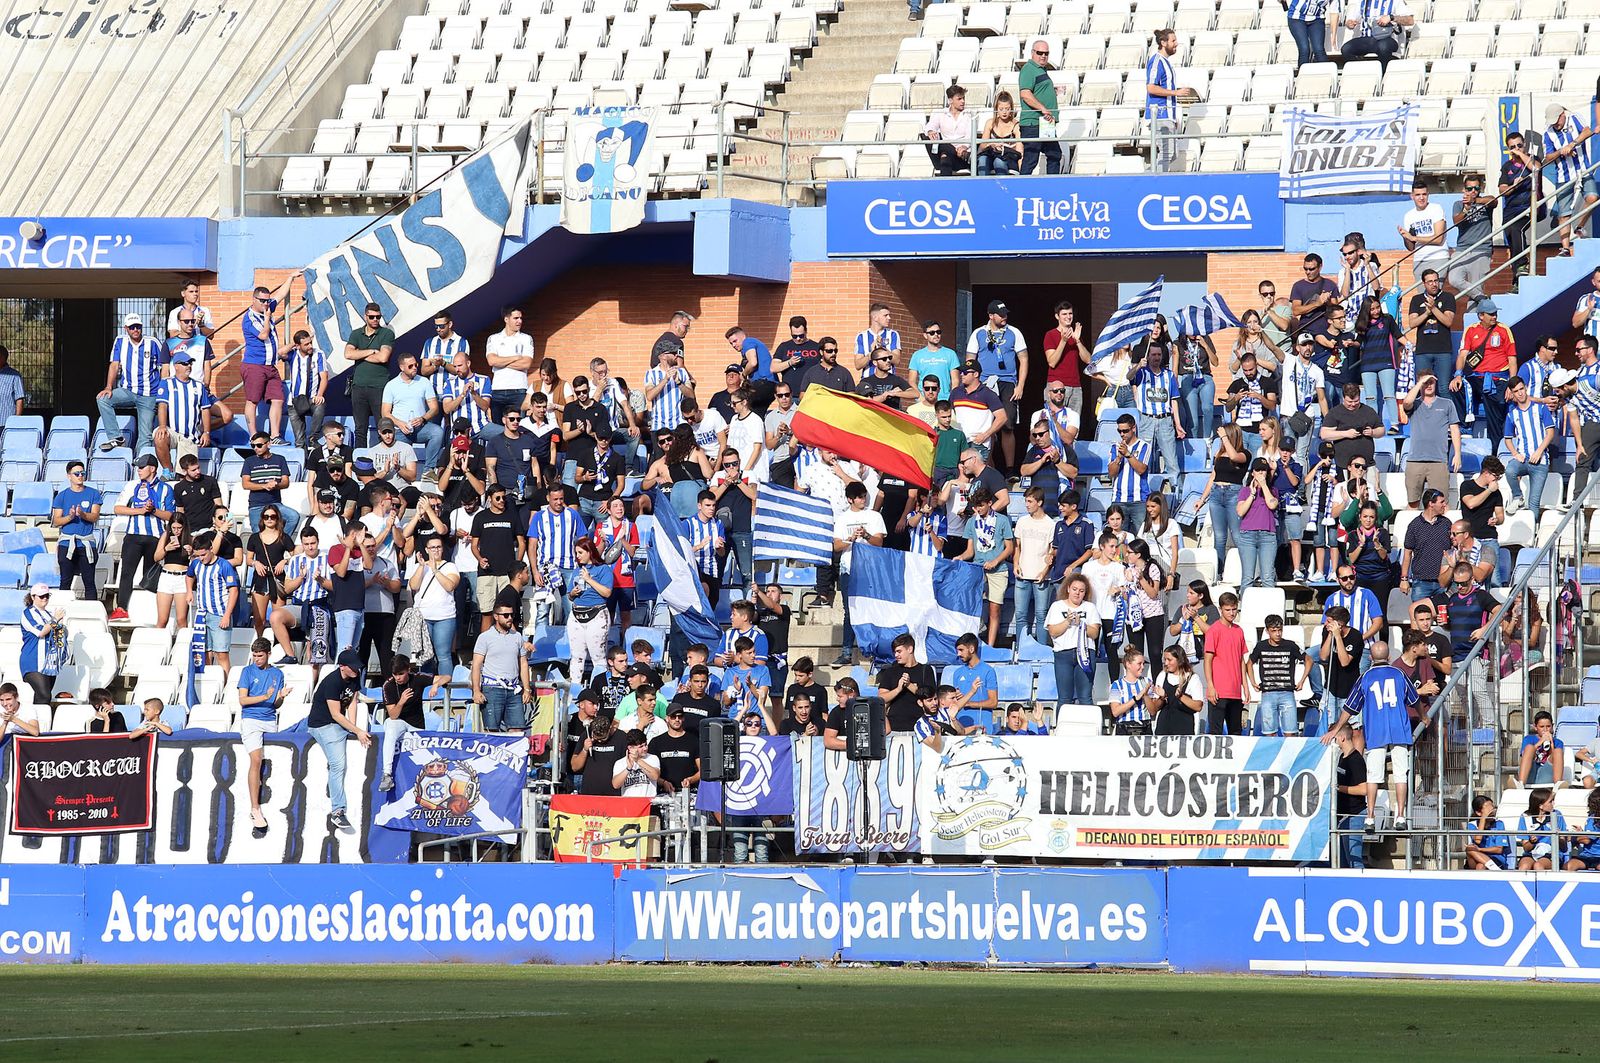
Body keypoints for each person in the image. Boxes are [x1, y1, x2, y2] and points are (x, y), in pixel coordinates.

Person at [307, 649, 371, 835]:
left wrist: (354, 726)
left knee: (340, 762)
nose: (356, 671)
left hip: (338, 723)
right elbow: (335, 714)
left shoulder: (353, 676)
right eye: (353, 668)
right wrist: (356, 730)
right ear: (343, 667)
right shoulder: (332, 682)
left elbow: (352, 701)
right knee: (338, 765)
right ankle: (337, 810)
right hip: (322, 724)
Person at [108, 454, 175, 622]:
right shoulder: (132, 486)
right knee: (126, 573)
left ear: (152, 468)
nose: (138, 470)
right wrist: (140, 511)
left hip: (155, 536)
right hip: (133, 535)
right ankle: (122, 608)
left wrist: (153, 510)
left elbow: (171, 515)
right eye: (138, 467)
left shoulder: (166, 489)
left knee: (151, 574)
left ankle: (151, 608)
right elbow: (118, 508)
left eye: (142, 467)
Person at [235, 638, 288, 837]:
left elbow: (276, 704)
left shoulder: (277, 674)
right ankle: (255, 808)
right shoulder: (247, 672)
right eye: (254, 656)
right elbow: (243, 700)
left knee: (269, 764)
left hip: (270, 720)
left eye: (260, 656)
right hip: (251, 720)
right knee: (256, 760)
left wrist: (281, 696)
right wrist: (265, 697)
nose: (257, 659)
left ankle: (271, 802)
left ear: (268, 654)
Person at [966, 301, 1028, 468]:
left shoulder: (1014, 332)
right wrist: (973, 385)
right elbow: (970, 361)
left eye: (1006, 314)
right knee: (987, 426)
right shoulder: (978, 333)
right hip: (985, 383)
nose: (1005, 317)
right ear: (991, 316)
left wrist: (1020, 385)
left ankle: (1009, 470)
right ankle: (987, 467)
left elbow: (1024, 358)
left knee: (1007, 426)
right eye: (1001, 315)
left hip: (1008, 382)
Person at [97, 313, 163, 455]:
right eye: (132, 327)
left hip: (149, 394)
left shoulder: (153, 342)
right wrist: (109, 386)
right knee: (102, 399)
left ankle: (140, 464)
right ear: (126, 328)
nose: (135, 330)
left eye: (138, 326)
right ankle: (116, 437)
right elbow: (114, 365)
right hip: (127, 390)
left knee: (145, 435)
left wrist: (162, 392)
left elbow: (164, 367)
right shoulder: (120, 341)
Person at [1453, 298, 1517, 445]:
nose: (1494, 316)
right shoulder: (1471, 330)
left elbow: (1512, 359)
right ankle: (1464, 428)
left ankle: (1496, 448)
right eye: (1490, 314)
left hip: (1498, 378)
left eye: (1495, 313)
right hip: (1477, 377)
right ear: (1481, 315)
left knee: (1494, 409)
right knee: (1456, 387)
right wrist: (1457, 375)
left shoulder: (1504, 330)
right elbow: (1462, 355)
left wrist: (1511, 385)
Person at [379, 654, 444, 792]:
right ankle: (386, 774)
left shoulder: (417, 678)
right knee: (389, 724)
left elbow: (447, 677)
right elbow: (393, 715)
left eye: (401, 674)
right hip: (399, 722)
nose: (398, 678)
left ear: (408, 670)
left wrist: (436, 685)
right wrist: (402, 701)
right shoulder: (388, 686)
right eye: (395, 674)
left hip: (416, 725)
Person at [958, 486, 1013, 646]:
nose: (978, 509)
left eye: (981, 505)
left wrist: (996, 561)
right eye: (976, 506)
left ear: (990, 503)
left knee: (994, 609)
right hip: (978, 570)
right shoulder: (971, 522)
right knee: (973, 606)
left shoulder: (1002, 520)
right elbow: (970, 551)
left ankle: (990, 645)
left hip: (998, 570)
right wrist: (960, 557)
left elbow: (1010, 547)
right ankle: (974, 642)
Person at [1542, 102, 1599, 255]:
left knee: (1593, 197)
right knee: (1564, 212)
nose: (1556, 125)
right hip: (1564, 175)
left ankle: (1579, 226)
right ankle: (1565, 247)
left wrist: (1572, 144)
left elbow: (1587, 131)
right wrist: (1561, 151)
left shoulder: (1574, 118)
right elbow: (1548, 157)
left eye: (1557, 121)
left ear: (1562, 114)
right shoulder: (1548, 133)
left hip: (1583, 169)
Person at [241, 281, 294, 443]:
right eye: (262, 301)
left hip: (271, 365)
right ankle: (253, 435)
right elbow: (263, 335)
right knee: (252, 400)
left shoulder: (268, 307)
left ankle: (275, 435)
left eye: (267, 301)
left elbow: (280, 295)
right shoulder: (249, 318)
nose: (266, 304)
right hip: (254, 365)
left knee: (278, 399)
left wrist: (290, 278)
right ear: (254, 299)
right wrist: (268, 318)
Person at [185, 531, 241, 677]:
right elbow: (189, 576)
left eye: (203, 555)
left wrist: (227, 615)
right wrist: (189, 591)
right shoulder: (196, 564)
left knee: (221, 654)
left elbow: (234, 591)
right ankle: (211, 684)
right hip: (202, 614)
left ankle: (226, 686)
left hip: (219, 614)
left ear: (211, 549)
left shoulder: (224, 565)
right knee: (206, 654)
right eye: (197, 555)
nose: (200, 558)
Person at [471, 599, 530, 732]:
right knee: (491, 731)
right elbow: (476, 665)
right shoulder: (484, 637)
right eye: (506, 615)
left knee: (517, 730)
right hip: (492, 689)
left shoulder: (518, 637)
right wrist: (476, 690)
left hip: (513, 689)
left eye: (512, 615)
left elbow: (523, 663)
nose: (510, 618)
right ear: (496, 616)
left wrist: (526, 688)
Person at [381, 352, 444, 472]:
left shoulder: (424, 382)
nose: (415, 367)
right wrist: (400, 423)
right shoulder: (391, 385)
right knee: (398, 465)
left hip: (421, 427)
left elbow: (434, 408)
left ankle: (429, 470)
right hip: (400, 430)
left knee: (437, 432)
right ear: (402, 367)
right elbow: (385, 412)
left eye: (416, 364)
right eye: (410, 366)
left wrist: (423, 419)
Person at [1045, 574, 1100, 706]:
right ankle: (1062, 726)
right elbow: (1053, 631)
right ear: (1068, 589)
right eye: (1075, 589)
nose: (1077, 593)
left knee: (1085, 697)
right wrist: (1068, 621)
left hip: (1085, 655)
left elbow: (1095, 633)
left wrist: (1081, 624)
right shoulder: (1057, 606)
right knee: (1064, 698)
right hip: (1063, 654)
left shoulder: (1090, 607)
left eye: (1081, 591)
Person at [565, 537, 613, 687]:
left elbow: (607, 592)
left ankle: (598, 690)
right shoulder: (576, 571)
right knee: (576, 656)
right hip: (577, 614)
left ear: (589, 552)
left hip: (596, 614)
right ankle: (575, 689)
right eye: (576, 553)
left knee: (598, 657)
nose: (577, 556)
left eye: (580, 552)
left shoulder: (603, 569)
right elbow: (569, 596)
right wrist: (573, 593)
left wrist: (589, 579)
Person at [51, 460, 102, 600]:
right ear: (69, 476)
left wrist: (83, 515)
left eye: (82, 473)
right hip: (67, 543)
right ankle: (63, 611)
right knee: (65, 580)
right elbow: (56, 521)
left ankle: (91, 612)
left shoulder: (93, 493)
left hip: (85, 543)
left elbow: (95, 516)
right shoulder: (62, 495)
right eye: (77, 473)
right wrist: (71, 516)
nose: (80, 476)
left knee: (89, 581)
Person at [1251, 616, 1309, 738]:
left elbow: (1308, 660)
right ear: (1267, 631)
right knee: (1269, 733)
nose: (1278, 634)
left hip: (1287, 692)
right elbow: (1249, 663)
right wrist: (1252, 682)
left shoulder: (1290, 645)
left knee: (1291, 732)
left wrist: (1302, 680)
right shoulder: (1261, 646)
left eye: (1280, 630)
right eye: (1274, 631)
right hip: (1268, 693)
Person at [1144, 28, 1194, 169]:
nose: (1176, 44)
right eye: (1173, 41)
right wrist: (1175, 93)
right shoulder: (1156, 62)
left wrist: (1174, 117)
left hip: (1168, 116)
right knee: (1167, 153)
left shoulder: (1166, 62)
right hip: (1159, 116)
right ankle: (1154, 182)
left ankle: (1149, 176)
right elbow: (1151, 87)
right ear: (1163, 42)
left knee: (1172, 154)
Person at [1016, 38, 1061, 175]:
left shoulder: (1040, 70)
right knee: (1031, 158)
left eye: (1046, 53)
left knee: (1054, 154)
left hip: (1044, 122)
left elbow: (1036, 91)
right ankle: (1021, 189)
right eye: (1040, 53)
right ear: (1032, 53)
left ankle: (1051, 186)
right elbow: (1025, 93)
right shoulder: (1029, 69)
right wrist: (1043, 108)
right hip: (1033, 122)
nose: (1043, 56)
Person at [1235, 457, 1280, 589]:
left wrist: (1264, 485)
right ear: (1252, 473)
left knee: (1267, 577)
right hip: (1247, 536)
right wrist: (1252, 495)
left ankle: (1270, 610)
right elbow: (1240, 511)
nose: (1261, 473)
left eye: (1263, 470)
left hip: (1267, 536)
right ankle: (1245, 608)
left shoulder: (1273, 491)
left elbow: (1272, 505)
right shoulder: (1244, 491)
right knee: (1247, 578)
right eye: (1258, 470)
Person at [240, 433, 297, 534]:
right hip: (256, 505)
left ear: (268, 444)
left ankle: (281, 541)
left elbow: (286, 482)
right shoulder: (249, 461)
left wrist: (276, 485)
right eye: (253, 446)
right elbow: (245, 484)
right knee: (258, 535)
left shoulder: (280, 459)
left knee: (293, 517)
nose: (256, 448)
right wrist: (264, 486)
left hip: (275, 504)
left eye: (259, 445)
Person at [1499, 131, 1538, 279]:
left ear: (1525, 145)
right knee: (1513, 244)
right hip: (1510, 210)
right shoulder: (1507, 166)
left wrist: (1521, 155)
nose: (1516, 149)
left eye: (1519, 145)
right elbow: (1502, 189)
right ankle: (1517, 278)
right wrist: (1514, 186)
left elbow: (1536, 168)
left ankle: (1523, 263)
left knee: (1517, 229)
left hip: (1528, 207)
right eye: (1512, 147)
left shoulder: (1532, 159)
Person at [281, 329, 329, 449]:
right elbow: (281, 352)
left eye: (310, 342)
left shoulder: (318, 354)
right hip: (294, 401)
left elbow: (324, 377)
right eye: (306, 344)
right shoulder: (293, 354)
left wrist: (319, 394)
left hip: (311, 398)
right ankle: (302, 461)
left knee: (320, 405)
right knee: (299, 442)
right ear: (298, 346)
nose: (310, 346)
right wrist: (294, 344)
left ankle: (313, 437)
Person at [1329, 723, 1368, 868]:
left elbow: (1364, 789)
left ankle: (1361, 888)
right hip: (1342, 817)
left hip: (1354, 815)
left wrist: (1339, 788)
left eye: (1335, 737)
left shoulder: (1356, 760)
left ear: (1342, 737)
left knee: (1354, 861)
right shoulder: (1342, 758)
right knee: (1342, 862)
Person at [18, 584, 64, 705]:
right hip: (33, 660)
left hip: (49, 661)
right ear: (33, 597)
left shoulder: (48, 614)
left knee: (43, 697)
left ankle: (36, 723)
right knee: (44, 695)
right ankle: (38, 724)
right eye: (41, 596)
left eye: (47, 596)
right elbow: (41, 632)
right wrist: (55, 620)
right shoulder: (28, 613)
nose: (44, 598)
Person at [1148, 645, 1204, 736]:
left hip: (1184, 729)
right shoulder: (1162, 676)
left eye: (1169, 660)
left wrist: (1181, 696)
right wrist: (1162, 698)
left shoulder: (1193, 678)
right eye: (1165, 660)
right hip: (1164, 728)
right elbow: (1154, 709)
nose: (1166, 663)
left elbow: (1198, 706)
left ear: (1179, 660)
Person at [1341, 0, 1412, 69]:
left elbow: (1410, 20)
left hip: (1388, 38)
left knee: (1383, 47)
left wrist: (1391, 18)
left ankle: (1383, 74)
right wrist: (1349, 23)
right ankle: (1362, 72)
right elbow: (1352, 20)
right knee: (1346, 49)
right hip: (1367, 38)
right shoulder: (1362, 2)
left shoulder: (1395, 1)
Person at [1515, 788, 1566, 871]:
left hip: (1551, 853)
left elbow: (1563, 846)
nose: (1553, 803)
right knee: (1524, 867)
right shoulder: (1525, 817)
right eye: (1550, 801)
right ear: (1540, 806)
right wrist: (1532, 842)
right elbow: (1526, 848)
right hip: (1531, 853)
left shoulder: (1557, 815)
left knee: (1538, 866)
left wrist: (1557, 835)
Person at [1108, 647, 1153, 735]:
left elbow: (1152, 711)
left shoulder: (1147, 682)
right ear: (1128, 664)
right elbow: (1115, 712)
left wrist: (1147, 696)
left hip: (1144, 725)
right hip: (1124, 726)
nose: (1143, 667)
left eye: (1143, 664)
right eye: (1139, 664)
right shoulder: (1117, 685)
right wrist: (1136, 698)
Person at [977, 91, 1023, 175]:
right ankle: (983, 186)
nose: (1004, 112)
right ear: (996, 109)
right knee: (982, 160)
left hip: (1009, 158)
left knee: (999, 162)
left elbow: (1020, 152)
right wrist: (991, 144)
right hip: (992, 154)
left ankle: (1002, 186)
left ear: (1011, 109)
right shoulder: (990, 123)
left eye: (1007, 109)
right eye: (1001, 109)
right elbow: (982, 146)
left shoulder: (1016, 126)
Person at [1517, 709, 1565, 787]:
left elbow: (1555, 759)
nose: (1545, 730)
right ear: (1535, 727)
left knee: (1558, 751)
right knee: (1529, 747)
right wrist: (1539, 743)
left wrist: (1551, 743)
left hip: (1546, 773)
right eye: (1542, 727)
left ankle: (1557, 785)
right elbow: (1524, 756)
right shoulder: (1528, 739)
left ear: (1552, 726)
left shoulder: (1558, 742)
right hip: (1530, 772)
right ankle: (1521, 783)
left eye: (1548, 726)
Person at [1464, 794, 1511, 871]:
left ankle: (1494, 868)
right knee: (1469, 849)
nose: (1493, 812)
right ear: (1479, 813)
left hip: (1495, 859)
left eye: (1493, 809)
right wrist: (1483, 818)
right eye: (1489, 810)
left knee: (1480, 866)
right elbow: (1477, 840)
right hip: (1475, 858)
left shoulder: (1499, 824)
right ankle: (1494, 869)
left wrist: (1480, 850)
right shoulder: (1472, 825)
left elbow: (1499, 849)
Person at [1286, 0, 1334, 68]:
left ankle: (1327, 74)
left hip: (1317, 18)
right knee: (1304, 49)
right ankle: (1303, 75)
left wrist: (1334, 35)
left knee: (1319, 50)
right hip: (1296, 17)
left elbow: (1335, 12)